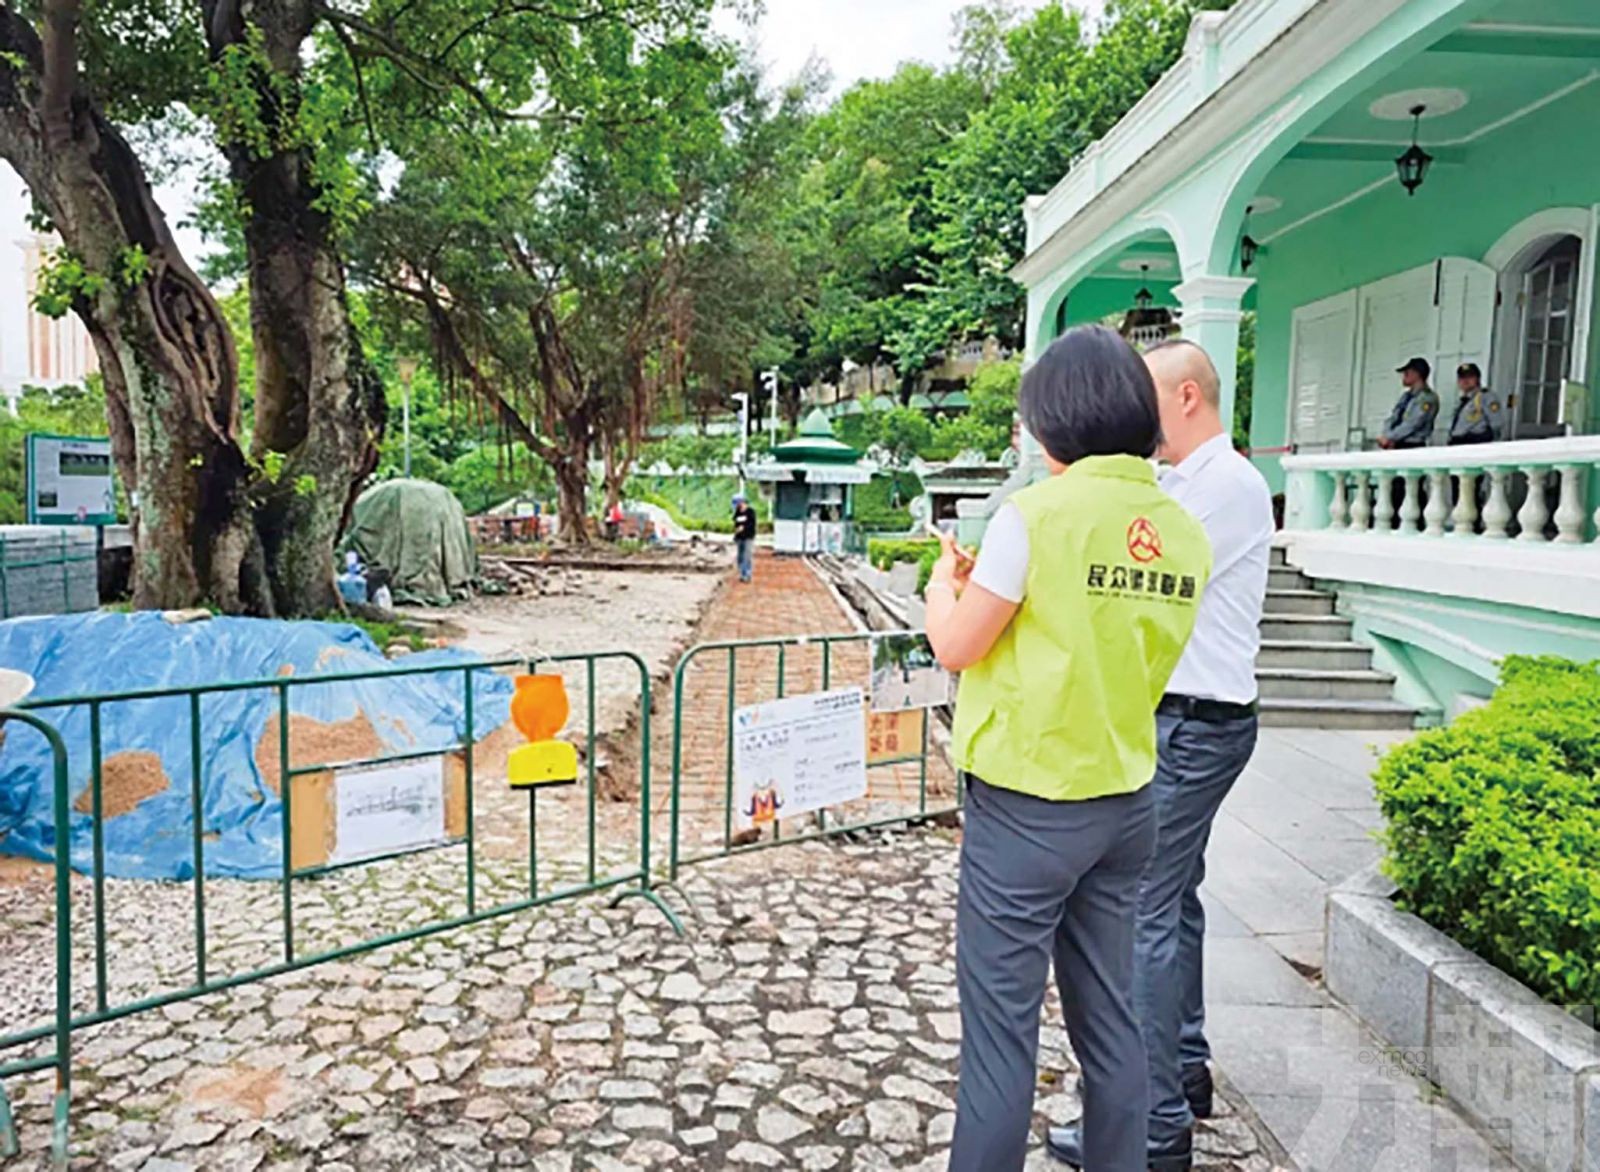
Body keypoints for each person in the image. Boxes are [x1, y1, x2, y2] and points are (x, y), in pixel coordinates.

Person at [928, 325, 1212, 1172]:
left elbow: (957, 646)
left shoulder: (1035, 517)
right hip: (1127, 803)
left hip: (1027, 807)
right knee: (1114, 1022)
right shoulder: (1181, 529)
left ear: (1056, 423)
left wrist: (947, 583)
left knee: (1001, 1038)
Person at [1046, 340, 1273, 1172]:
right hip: (1187, 720)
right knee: (1173, 905)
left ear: (1185, 396)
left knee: (1142, 911)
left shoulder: (1224, 487)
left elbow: (1120, 573)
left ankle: (1151, 1127)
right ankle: (1182, 1068)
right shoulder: (1188, 485)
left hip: (1194, 724)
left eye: (1141, 398)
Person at [1378, 358, 1439, 450]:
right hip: (1396, 443)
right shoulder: (1406, 396)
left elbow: (1413, 423)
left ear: (1417, 374)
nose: (1403, 377)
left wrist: (1390, 437)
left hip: (1412, 445)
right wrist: (1386, 435)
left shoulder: (1427, 398)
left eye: (1407, 373)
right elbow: (1393, 417)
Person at [1448, 363, 1503, 446]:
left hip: (1475, 443)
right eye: (1462, 378)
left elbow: (1496, 425)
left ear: (1477, 379)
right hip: (1458, 443)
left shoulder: (1486, 397)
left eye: (1470, 377)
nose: (1465, 381)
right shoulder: (1462, 401)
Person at [731, 494, 757, 583]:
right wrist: (736, 530)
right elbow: (735, 522)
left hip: (748, 537)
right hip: (739, 537)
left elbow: (752, 524)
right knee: (740, 556)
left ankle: (747, 574)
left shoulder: (750, 512)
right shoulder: (738, 512)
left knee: (747, 556)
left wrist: (744, 528)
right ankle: (742, 573)